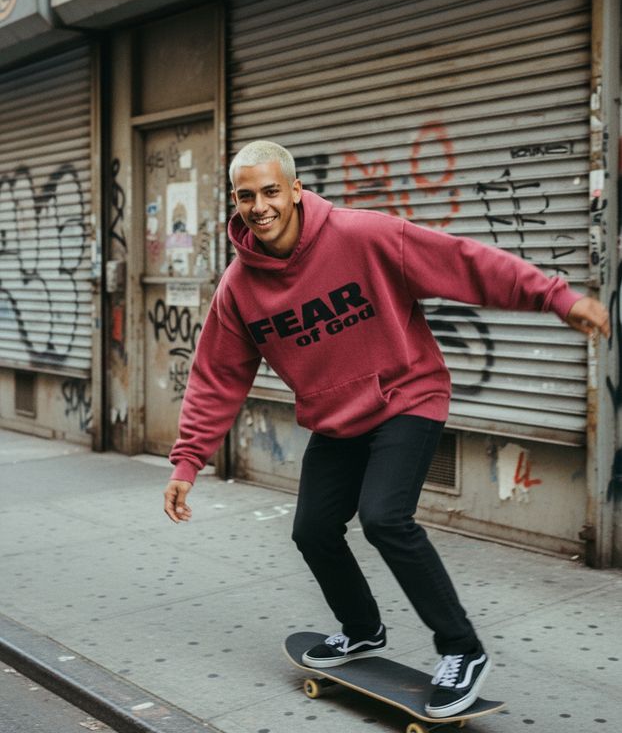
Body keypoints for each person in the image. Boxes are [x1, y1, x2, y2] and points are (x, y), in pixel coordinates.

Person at [164, 140, 610, 718]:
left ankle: (462, 650)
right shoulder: (238, 289)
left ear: (296, 190)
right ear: (234, 201)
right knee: (313, 530)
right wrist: (188, 462)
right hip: (336, 419)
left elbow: (464, 263)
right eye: (246, 195)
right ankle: (363, 629)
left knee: (384, 518)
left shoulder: (362, 236)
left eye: (271, 191)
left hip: (408, 395)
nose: (260, 206)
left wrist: (556, 297)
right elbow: (216, 377)